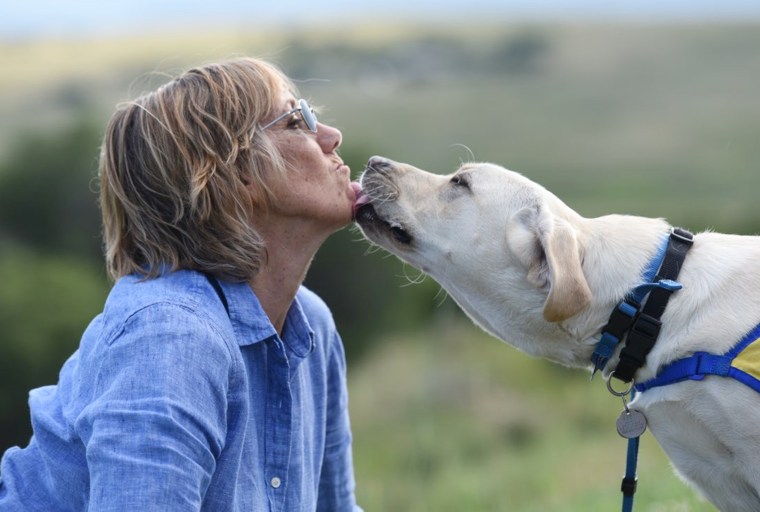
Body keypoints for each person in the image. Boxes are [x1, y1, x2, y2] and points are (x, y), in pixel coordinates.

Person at [0, 57, 363, 511]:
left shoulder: (310, 326)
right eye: (296, 120)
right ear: (237, 174)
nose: (330, 137)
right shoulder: (172, 337)